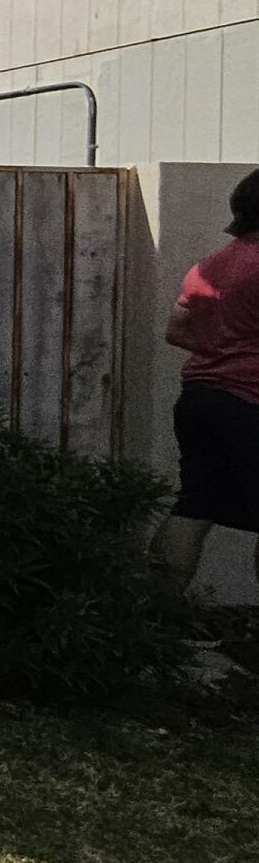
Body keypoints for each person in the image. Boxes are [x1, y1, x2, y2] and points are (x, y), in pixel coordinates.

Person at [154, 167, 259, 586]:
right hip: (250, 401)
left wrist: (225, 349)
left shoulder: (211, 266)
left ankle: (156, 619)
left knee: (195, 506)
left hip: (200, 397)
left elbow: (176, 330)